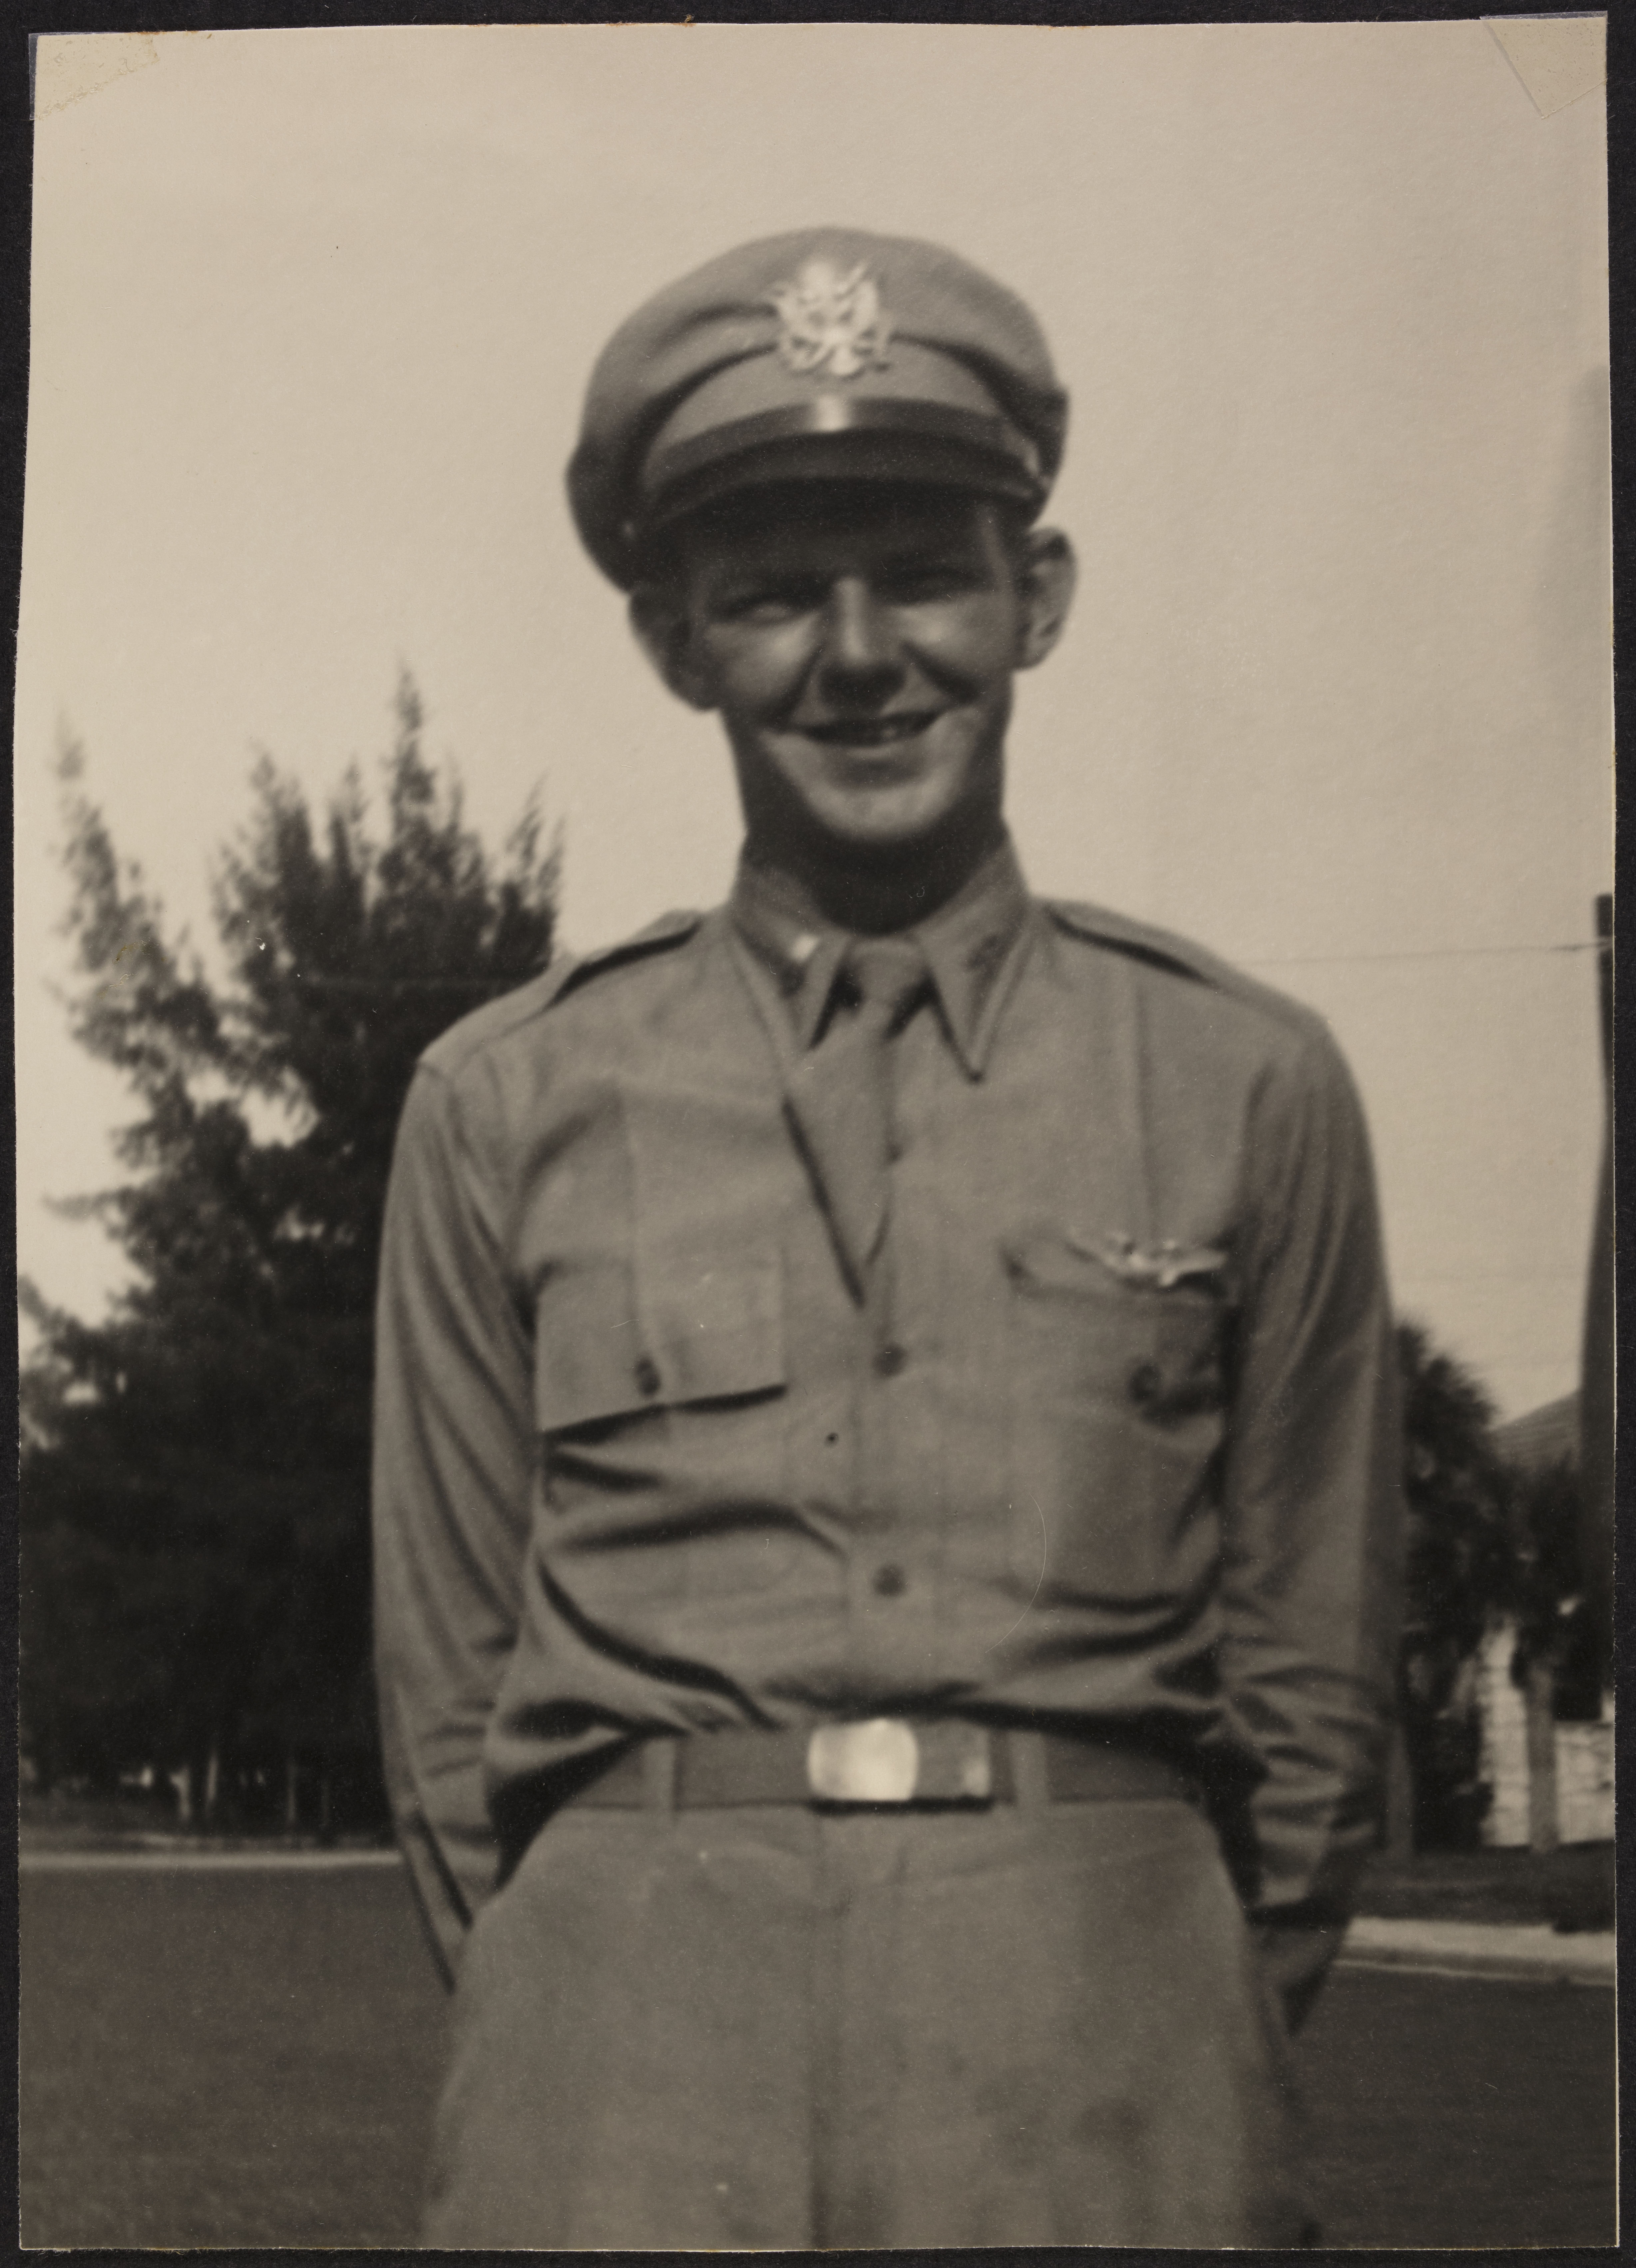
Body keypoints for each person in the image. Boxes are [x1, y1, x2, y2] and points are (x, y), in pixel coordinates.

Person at [371, 227, 1405, 2249]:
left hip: (1107, 2051)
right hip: (626, 2060)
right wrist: (596, 1987)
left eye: (926, 573)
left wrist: (1171, 1997)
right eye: (772, 594)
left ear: (1039, 598)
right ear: (675, 642)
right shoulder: (504, 1100)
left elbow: (1313, 1688)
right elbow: (445, 1704)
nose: (858, 656)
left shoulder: (1243, 1081)